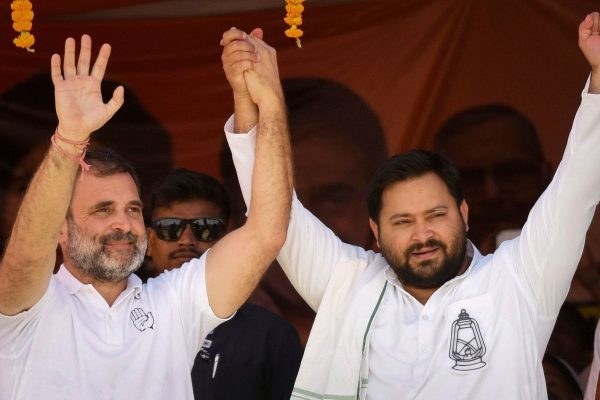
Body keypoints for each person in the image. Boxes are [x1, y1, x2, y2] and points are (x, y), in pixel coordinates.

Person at [221, 13, 600, 399]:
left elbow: (577, 188)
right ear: (375, 231)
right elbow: (275, 213)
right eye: (402, 222)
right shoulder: (349, 285)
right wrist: (255, 100)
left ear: (464, 214)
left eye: (436, 215)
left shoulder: (517, 281)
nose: (423, 234)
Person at [0, 31, 292, 399]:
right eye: (103, 210)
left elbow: (267, 233)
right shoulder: (28, 308)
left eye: (133, 209)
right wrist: (69, 141)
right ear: (61, 229)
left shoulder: (174, 303)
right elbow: (27, 257)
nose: (124, 224)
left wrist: (270, 104)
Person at [220, 77, 388, 344]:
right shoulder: (202, 332)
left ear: (377, 205)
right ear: (234, 212)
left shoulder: (415, 319)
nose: (307, 221)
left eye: (334, 199)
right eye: (282, 201)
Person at [145, 168, 302, 399]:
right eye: (170, 227)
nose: (186, 240)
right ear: (149, 241)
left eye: (205, 228)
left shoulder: (272, 335)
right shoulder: (119, 322)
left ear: (228, 240)